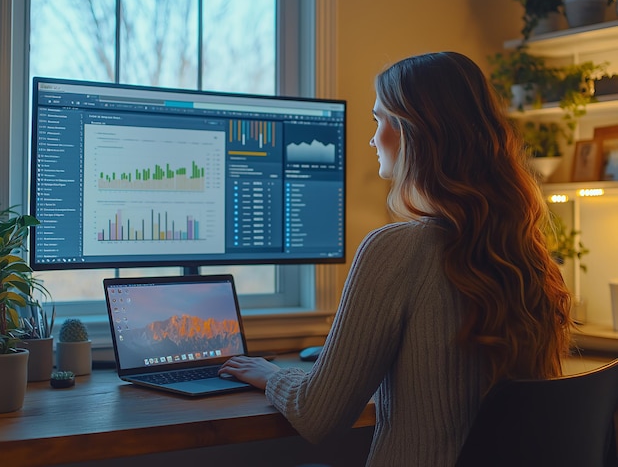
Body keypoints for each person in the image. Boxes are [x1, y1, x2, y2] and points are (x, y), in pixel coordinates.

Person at [219, 51, 572, 466]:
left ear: (413, 131)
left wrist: (273, 375)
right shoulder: (524, 254)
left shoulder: (396, 247)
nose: (372, 138)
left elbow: (317, 415)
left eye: (378, 119)